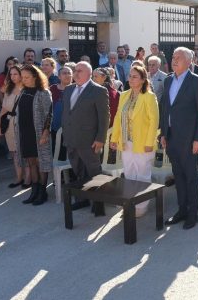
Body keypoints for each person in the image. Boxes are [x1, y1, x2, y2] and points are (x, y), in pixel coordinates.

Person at [159, 47, 198, 230]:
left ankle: (192, 213)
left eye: (178, 57)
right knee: (178, 175)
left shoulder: (197, 82)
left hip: (189, 138)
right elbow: (165, 108)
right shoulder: (168, 80)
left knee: (190, 176)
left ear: (189, 61)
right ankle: (181, 210)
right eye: (173, 57)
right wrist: (164, 133)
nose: (174, 60)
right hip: (171, 137)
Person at [110, 65, 159, 217]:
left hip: (143, 143)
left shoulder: (149, 97)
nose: (130, 79)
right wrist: (114, 138)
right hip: (126, 142)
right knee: (129, 174)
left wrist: (150, 143)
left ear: (143, 80)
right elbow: (118, 117)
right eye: (130, 76)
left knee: (143, 174)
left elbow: (154, 121)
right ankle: (131, 203)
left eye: (135, 76)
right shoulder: (124, 94)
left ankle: (141, 207)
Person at [62, 62, 110, 211]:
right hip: (71, 139)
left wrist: (100, 138)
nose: (75, 74)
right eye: (75, 71)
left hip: (89, 141)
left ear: (89, 74)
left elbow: (104, 117)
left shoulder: (98, 91)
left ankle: (98, 203)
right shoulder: (69, 89)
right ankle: (82, 199)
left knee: (94, 172)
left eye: (79, 71)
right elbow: (68, 113)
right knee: (78, 171)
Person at [15, 65, 53, 205]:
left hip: (38, 133)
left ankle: (42, 192)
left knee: (41, 162)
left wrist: (45, 133)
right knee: (31, 163)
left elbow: (49, 114)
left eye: (27, 77)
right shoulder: (23, 91)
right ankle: (34, 191)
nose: (24, 80)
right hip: (25, 133)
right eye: (22, 77)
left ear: (35, 77)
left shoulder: (43, 93)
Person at [0, 65, 27, 188]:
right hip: (10, 123)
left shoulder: (27, 89)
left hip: (24, 123)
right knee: (14, 152)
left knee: (25, 152)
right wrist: (0, 125)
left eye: (16, 74)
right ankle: (19, 177)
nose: (13, 76)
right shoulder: (8, 89)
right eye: (11, 74)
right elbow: (4, 108)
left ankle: (29, 178)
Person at [50, 66, 73, 165]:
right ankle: (61, 178)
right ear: (59, 76)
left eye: (69, 73)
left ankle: (73, 177)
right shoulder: (52, 89)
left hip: (72, 128)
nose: (67, 75)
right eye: (64, 73)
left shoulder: (77, 89)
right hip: (56, 127)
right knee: (59, 154)